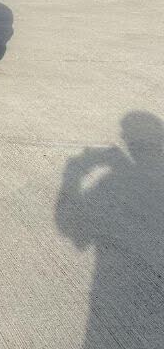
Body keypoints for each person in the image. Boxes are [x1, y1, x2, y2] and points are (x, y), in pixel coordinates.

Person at [55, 111, 164, 348]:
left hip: (120, 299)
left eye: (125, 134)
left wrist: (72, 171)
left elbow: (71, 229)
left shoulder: (111, 181)